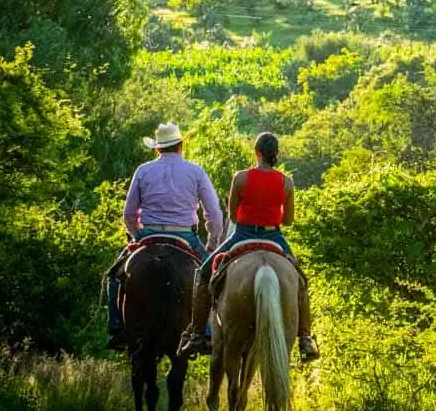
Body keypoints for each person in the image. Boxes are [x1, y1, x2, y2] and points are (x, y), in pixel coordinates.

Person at [176, 132, 319, 362]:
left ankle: (196, 334)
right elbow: (289, 221)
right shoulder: (287, 183)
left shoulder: (240, 178)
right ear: (277, 155)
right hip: (274, 236)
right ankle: (305, 338)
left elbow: (232, 215)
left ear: (257, 153)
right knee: (301, 281)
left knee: (202, 275)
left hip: (241, 234)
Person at [105, 122, 223, 351]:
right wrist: (211, 244)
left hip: (148, 234)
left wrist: (138, 236)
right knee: (211, 279)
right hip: (185, 237)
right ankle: (206, 332)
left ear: (157, 149)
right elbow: (215, 214)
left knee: (114, 276)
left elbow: (129, 214)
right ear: (181, 145)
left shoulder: (143, 170)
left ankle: (117, 327)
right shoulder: (195, 171)